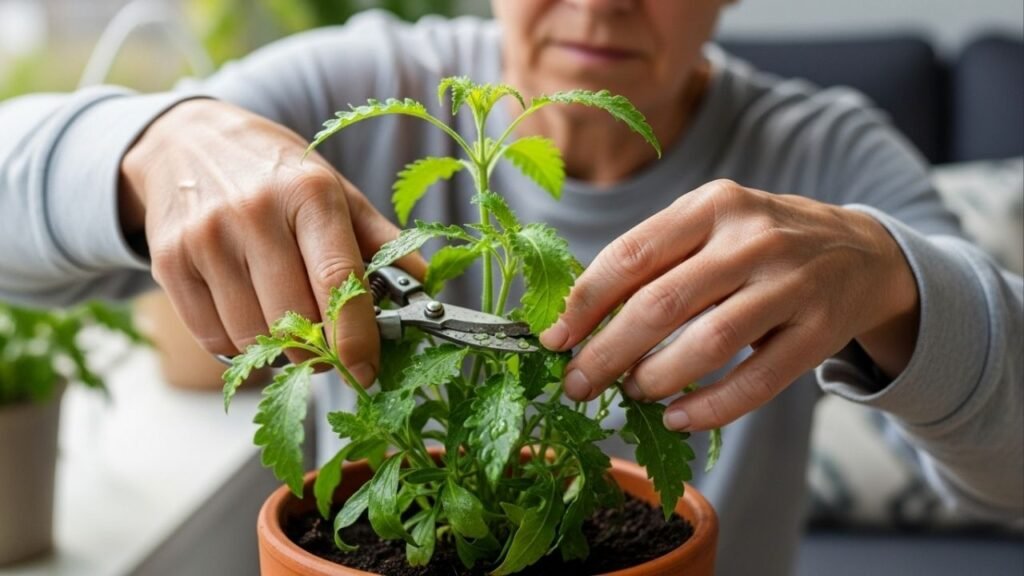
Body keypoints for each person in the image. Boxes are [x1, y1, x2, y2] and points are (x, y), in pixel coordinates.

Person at [1, 1, 1021, 574]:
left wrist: (898, 283)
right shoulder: (351, 88)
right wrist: (151, 143)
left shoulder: (825, 156)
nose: (600, 3)